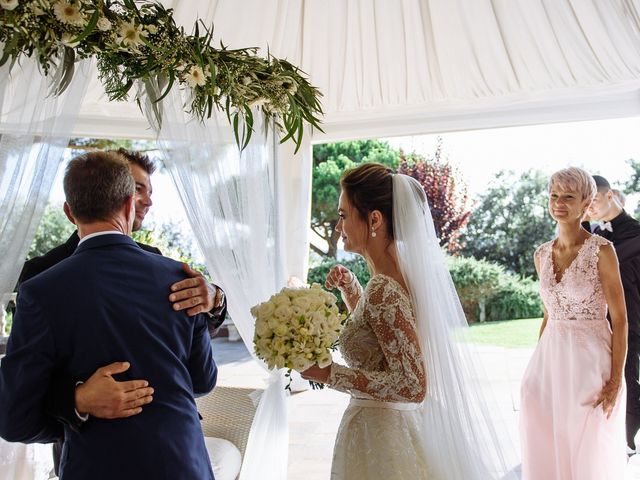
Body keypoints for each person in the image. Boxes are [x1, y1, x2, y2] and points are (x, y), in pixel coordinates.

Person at [0, 151, 218, 478]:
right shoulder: (181, 279)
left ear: (70, 213)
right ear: (130, 204)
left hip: (97, 467)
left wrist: (76, 405)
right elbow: (202, 379)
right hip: (182, 464)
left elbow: (15, 420)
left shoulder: (40, 292)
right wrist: (76, 400)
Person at [297, 163, 516, 479]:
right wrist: (352, 292)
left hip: (383, 441)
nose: (337, 226)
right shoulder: (390, 279)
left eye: (343, 215)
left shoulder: (384, 287)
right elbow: (386, 342)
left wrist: (330, 374)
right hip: (390, 429)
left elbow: (413, 385)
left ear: (374, 219)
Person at [520, 167, 628, 479]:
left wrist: (616, 380)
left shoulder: (602, 251)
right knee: (541, 430)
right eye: (554, 195)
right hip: (550, 358)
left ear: (585, 203)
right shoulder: (541, 255)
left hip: (590, 360)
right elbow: (547, 315)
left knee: (586, 444)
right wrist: (536, 366)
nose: (559, 202)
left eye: (568, 196)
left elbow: (620, 320)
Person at [587, 174, 640, 452]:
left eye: (593, 201)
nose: (589, 208)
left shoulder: (635, 234)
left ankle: (625, 443)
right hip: (598, 322)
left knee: (627, 377)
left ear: (610, 196)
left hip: (630, 319)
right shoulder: (593, 234)